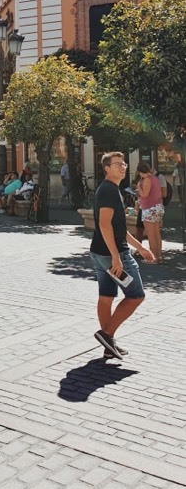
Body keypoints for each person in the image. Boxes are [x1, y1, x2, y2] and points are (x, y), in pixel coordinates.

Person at [90, 152, 155, 360]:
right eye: (117, 164)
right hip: (112, 255)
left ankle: (108, 344)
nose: (123, 167)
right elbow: (104, 224)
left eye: (124, 163)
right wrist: (116, 256)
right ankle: (106, 334)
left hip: (100, 252)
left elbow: (119, 229)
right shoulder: (109, 190)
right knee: (136, 295)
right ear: (107, 168)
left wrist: (141, 248)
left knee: (106, 296)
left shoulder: (110, 189)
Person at [135, 162, 164, 262]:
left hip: (149, 208)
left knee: (151, 234)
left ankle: (153, 258)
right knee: (157, 233)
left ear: (140, 171)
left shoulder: (147, 179)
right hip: (157, 207)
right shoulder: (155, 178)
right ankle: (158, 256)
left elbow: (145, 194)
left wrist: (139, 187)